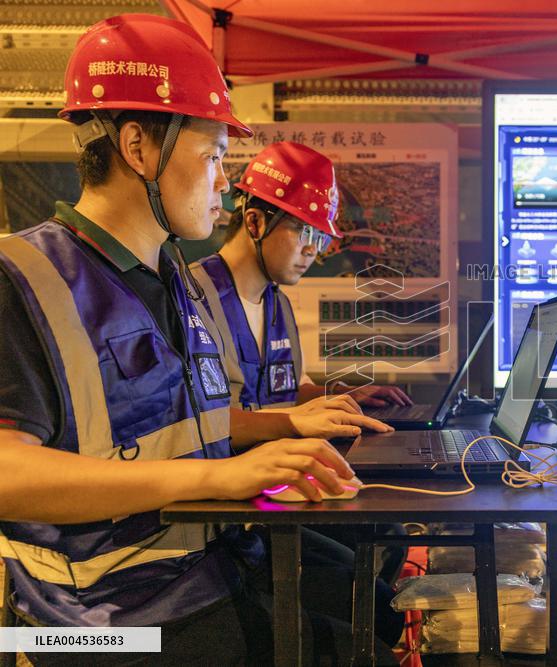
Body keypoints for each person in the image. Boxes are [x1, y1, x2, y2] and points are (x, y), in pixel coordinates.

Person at [0, 14, 397, 664]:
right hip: (100, 620)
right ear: (139, 149)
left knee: (372, 605)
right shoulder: (27, 276)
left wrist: (270, 452)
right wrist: (225, 473)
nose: (223, 181)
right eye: (212, 155)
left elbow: (185, 431)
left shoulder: (171, 280)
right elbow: (6, 470)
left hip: (201, 568)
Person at [191, 140, 409, 635]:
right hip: (232, 517)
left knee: (388, 541)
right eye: (303, 230)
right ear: (254, 222)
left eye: (320, 235)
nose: (315, 248)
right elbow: (199, 423)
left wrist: (342, 396)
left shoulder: (277, 302)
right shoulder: (193, 300)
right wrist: (294, 419)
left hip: (277, 493)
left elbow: (289, 387)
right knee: (371, 604)